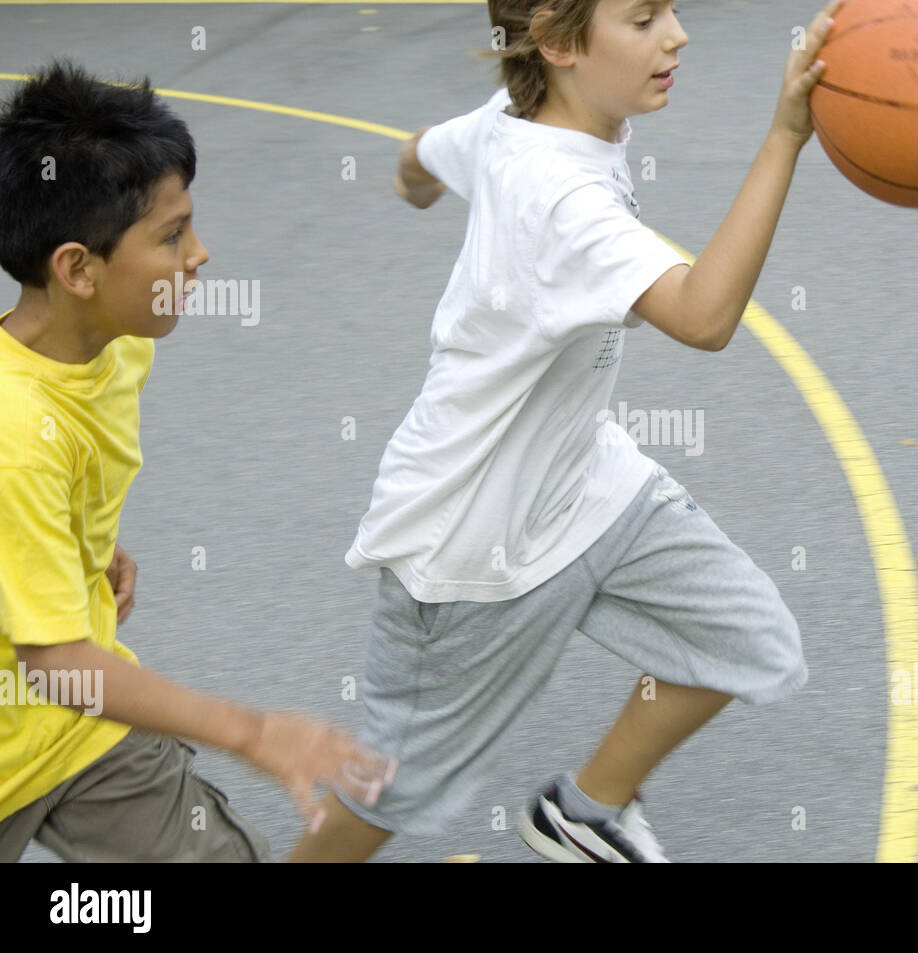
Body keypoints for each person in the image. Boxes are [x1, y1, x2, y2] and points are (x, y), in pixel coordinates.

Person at [289, 0, 840, 863]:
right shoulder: (562, 197)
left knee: (749, 640)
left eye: (672, 9)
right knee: (393, 789)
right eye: (643, 16)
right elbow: (704, 316)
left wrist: (414, 175)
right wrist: (784, 135)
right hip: (470, 540)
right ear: (556, 43)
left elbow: (425, 151)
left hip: (585, 484)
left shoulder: (512, 120)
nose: (677, 34)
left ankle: (585, 813)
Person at [0, 62, 396, 863]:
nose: (200, 254)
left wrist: (77, 544)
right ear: (78, 269)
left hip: (77, 735)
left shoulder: (114, 349)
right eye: (172, 235)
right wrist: (253, 731)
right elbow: (57, 663)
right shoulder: (15, 434)